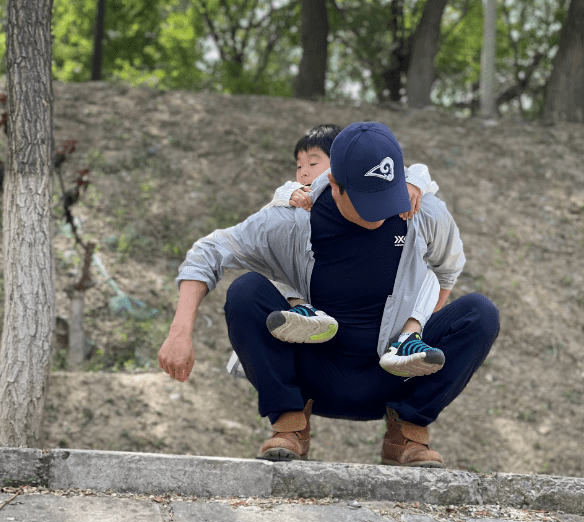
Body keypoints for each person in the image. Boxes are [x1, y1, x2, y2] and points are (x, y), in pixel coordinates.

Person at [158, 122, 499, 468]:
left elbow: (447, 270)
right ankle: (290, 423)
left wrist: (414, 331)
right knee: (246, 291)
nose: (382, 212)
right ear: (334, 183)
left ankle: (407, 430)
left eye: (387, 196)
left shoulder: (423, 212)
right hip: (312, 374)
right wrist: (180, 332)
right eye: (368, 202)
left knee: (480, 313)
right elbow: (208, 253)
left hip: (394, 374)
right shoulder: (292, 219)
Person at [227, 123, 445, 379]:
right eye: (299, 166)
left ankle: (409, 336)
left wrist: (415, 183)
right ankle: (300, 309)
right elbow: (269, 218)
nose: (303, 172)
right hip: (314, 294)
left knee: (429, 276)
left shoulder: (377, 199)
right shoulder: (299, 199)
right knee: (276, 259)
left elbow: (418, 171)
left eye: (313, 163)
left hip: (367, 312)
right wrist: (288, 195)